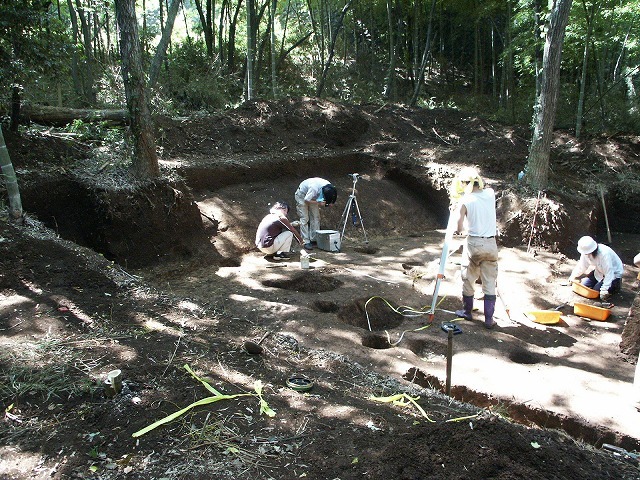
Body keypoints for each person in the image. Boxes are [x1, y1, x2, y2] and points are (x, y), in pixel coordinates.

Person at [452, 167, 499, 329]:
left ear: (464, 184)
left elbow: (458, 225)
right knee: (489, 282)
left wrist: (459, 228)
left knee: (468, 278)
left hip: (474, 244)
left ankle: (467, 312)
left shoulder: (465, 200)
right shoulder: (490, 194)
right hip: (491, 244)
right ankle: (488, 320)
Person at [568, 236, 623, 301]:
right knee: (584, 285)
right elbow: (582, 266)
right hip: (599, 271)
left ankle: (616, 285)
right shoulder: (585, 252)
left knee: (596, 292)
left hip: (613, 275)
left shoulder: (604, 254)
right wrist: (573, 276)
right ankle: (600, 284)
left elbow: (609, 273)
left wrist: (604, 290)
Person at [294, 178, 337, 250]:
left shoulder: (329, 187)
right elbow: (306, 200)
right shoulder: (314, 188)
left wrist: (329, 202)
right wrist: (318, 202)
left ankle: (314, 239)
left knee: (316, 217)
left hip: (313, 197)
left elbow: (330, 197)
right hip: (302, 195)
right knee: (305, 218)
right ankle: (305, 241)